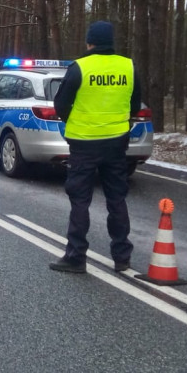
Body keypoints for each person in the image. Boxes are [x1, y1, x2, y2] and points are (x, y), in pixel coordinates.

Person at [49, 20, 142, 274]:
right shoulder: (128, 66)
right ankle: (122, 257)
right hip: (116, 142)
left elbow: (61, 104)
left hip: (84, 143)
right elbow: (135, 104)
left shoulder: (80, 67)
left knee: (80, 200)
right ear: (111, 42)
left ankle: (76, 256)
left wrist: (75, 121)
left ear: (89, 42)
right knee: (117, 198)